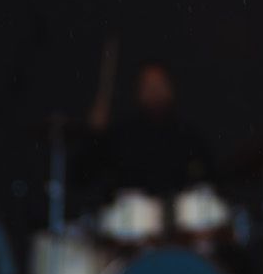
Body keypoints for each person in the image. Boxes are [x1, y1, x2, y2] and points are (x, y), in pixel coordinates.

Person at [85, 49, 214, 201]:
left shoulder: (188, 135)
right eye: (147, 85)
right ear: (137, 91)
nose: (154, 91)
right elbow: (84, 175)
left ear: (171, 88)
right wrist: (94, 134)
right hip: (129, 221)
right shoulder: (123, 134)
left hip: (179, 220)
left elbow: (212, 178)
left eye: (159, 84)